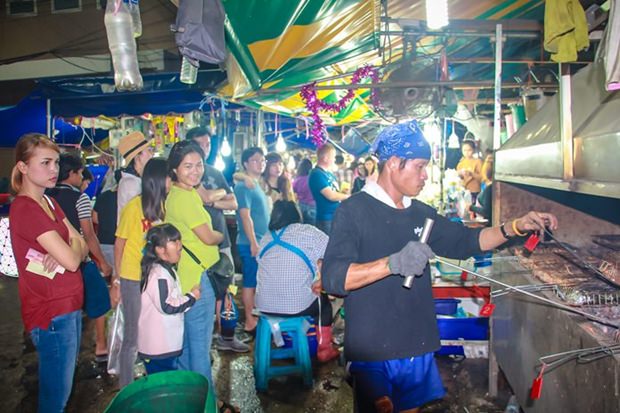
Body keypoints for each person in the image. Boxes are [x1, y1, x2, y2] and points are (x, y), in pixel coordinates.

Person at [321, 121, 558, 413]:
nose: (425, 175)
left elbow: (468, 241)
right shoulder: (353, 211)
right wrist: (392, 263)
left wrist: (515, 226)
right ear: (394, 163)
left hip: (416, 344)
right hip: (373, 349)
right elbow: (333, 278)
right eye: (420, 166)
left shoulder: (421, 214)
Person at [9, 133, 89, 412]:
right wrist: (71, 248)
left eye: (55, 162)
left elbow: (82, 246)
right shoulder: (26, 208)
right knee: (56, 398)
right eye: (45, 163)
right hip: (51, 312)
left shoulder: (51, 203)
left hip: (68, 306)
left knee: (60, 393)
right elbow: (72, 258)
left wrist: (72, 248)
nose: (54, 169)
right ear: (23, 167)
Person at [185, 126, 249, 352]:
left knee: (227, 289)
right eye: (200, 144)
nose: (205, 149)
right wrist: (213, 196)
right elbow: (204, 197)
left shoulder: (213, 171)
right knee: (197, 292)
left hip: (221, 240)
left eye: (207, 144)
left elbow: (233, 202)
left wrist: (212, 200)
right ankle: (199, 345)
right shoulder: (185, 174)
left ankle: (226, 336)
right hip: (195, 244)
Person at [46, 152, 112, 362]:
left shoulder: (46, 196)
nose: (82, 177)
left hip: (51, 262)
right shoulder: (80, 198)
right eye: (80, 172)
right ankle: (101, 345)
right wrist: (102, 261)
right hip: (78, 260)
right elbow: (89, 235)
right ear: (72, 173)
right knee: (101, 299)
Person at [165, 141, 223, 379]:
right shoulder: (185, 198)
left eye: (199, 165)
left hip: (185, 277)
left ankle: (189, 400)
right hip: (197, 280)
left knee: (187, 345)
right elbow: (208, 237)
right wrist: (220, 234)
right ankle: (206, 402)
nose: (195, 171)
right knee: (199, 348)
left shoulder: (182, 193)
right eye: (187, 166)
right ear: (175, 169)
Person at [255, 200, 340, 362]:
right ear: (296, 214)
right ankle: (324, 349)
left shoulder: (266, 237)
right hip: (296, 306)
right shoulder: (307, 232)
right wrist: (322, 277)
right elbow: (334, 252)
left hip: (264, 306)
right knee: (324, 304)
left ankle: (280, 340)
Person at [113, 158, 169, 388]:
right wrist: (116, 280)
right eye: (169, 176)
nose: (171, 181)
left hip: (152, 277)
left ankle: (149, 377)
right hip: (132, 277)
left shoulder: (163, 206)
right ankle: (125, 387)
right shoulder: (134, 207)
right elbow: (120, 244)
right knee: (132, 336)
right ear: (158, 179)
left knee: (148, 329)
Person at [138, 224, 200, 375]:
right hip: (158, 346)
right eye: (174, 241)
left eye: (179, 240)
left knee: (165, 382)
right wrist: (192, 297)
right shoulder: (159, 274)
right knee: (162, 384)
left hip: (164, 344)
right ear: (160, 250)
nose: (179, 245)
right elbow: (167, 306)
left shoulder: (165, 270)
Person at [233, 147, 270, 335]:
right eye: (255, 160)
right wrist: (254, 242)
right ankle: (249, 320)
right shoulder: (243, 187)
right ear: (246, 163)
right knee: (249, 282)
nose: (260, 163)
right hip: (250, 243)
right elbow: (245, 216)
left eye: (262, 160)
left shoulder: (255, 184)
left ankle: (253, 318)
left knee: (256, 281)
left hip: (261, 241)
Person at [308, 143, 349, 234]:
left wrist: (342, 192)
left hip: (336, 216)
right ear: (325, 158)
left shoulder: (328, 173)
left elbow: (335, 192)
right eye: (333, 156)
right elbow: (330, 195)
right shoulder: (316, 174)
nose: (334, 159)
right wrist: (347, 196)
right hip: (326, 219)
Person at [116, 131, 153, 220]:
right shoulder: (131, 184)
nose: (151, 154)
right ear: (137, 157)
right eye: (148, 150)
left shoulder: (134, 180)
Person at [292, 158, 316, 226]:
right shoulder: (314, 179)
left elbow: (292, 191)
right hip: (313, 206)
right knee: (312, 230)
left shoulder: (297, 180)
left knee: (302, 229)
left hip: (301, 207)